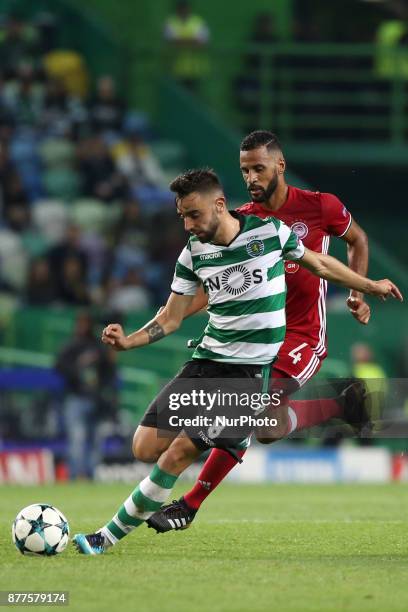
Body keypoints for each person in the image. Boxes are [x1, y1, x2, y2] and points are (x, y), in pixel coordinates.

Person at [72, 168, 401, 554]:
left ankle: (105, 537)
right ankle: (327, 406)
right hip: (206, 361)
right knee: (144, 447)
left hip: (247, 374)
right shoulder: (193, 252)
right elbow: (171, 317)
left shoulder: (270, 234)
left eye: (194, 215)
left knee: (180, 452)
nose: (188, 224)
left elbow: (323, 265)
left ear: (219, 205)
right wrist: (129, 342)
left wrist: (370, 285)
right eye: (182, 217)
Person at [145, 130, 380, 532]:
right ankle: (343, 405)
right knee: (270, 428)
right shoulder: (242, 221)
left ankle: (190, 503)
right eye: (244, 170)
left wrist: (359, 290)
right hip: (255, 338)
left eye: (259, 168)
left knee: (247, 410)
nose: (251, 177)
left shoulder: (321, 206)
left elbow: (356, 239)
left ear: (280, 166)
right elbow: (211, 282)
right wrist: (176, 313)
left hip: (303, 335)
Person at [55, 312, 117, 479]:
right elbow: (59, 367)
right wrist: (79, 368)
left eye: (85, 323)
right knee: (77, 438)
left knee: (95, 439)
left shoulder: (98, 347)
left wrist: (104, 389)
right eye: (80, 323)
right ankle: (75, 476)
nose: (82, 327)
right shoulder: (71, 346)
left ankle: (91, 475)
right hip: (76, 398)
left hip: (96, 399)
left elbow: (109, 371)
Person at [163, 0, 210, 92]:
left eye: (185, 8)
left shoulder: (198, 22)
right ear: (177, 9)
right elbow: (171, 42)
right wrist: (192, 41)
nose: (183, 11)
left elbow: (203, 43)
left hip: (195, 69)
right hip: (175, 69)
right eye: (181, 8)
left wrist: (180, 41)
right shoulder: (171, 22)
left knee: (193, 98)